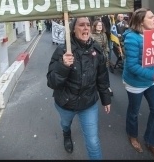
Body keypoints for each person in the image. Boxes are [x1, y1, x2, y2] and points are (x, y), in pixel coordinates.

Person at [47, 17, 111, 160]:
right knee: (65, 124)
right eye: (81, 25)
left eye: (88, 25)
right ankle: (66, 133)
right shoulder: (62, 50)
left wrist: (105, 98)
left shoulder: (96, 49)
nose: (86, 28)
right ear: (73, 29)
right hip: (66, 103)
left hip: (88, 104)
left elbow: (102, 76)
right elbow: (52, 82)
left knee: (93, 142)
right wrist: (63, 66)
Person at [122, 8, 154, 160]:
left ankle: (151, 142)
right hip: (135, 83)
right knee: (134, 112)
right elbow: (132, 66)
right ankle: (132, 135)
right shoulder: (131, 38)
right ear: (141, 22)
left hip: (151, 81)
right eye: (150, 17)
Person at [91, 20, 113, 96]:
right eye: (98, 25)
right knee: (96, 73)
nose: (100, 27)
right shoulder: (91, 36)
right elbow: (91, 47)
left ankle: (107, 87)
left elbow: (106, 45)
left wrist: (107, 52)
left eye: (101, 25)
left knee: (105, 72)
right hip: (95, 57)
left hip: (104, 56)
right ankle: (95, 87)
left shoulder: (104, 34)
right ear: (95, 26)